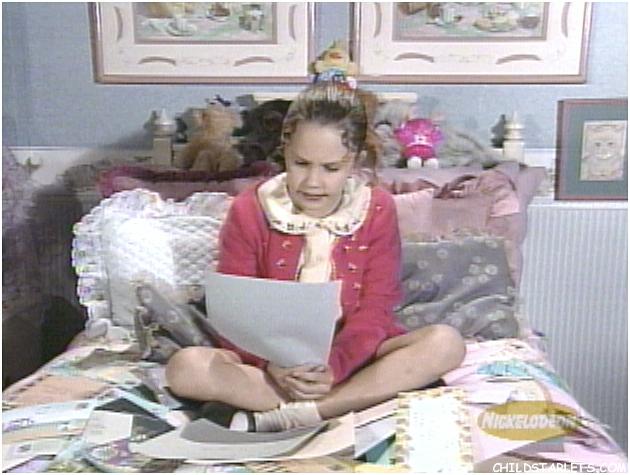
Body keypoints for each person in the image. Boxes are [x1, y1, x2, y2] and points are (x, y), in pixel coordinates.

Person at [165, 83, 466, 432]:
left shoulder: (376, 207)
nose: (313, 182)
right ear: (285, 152)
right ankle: (346, 404)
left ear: (355, 161)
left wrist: (334, 368)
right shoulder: (250, 207)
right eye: (301, 164)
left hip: (356, 358)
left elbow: (376, 307)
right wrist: (272, 364)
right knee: (186, 367)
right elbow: (237, 310)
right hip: (271, 366)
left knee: (445, 343)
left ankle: (307, 411)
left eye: (331, 168)